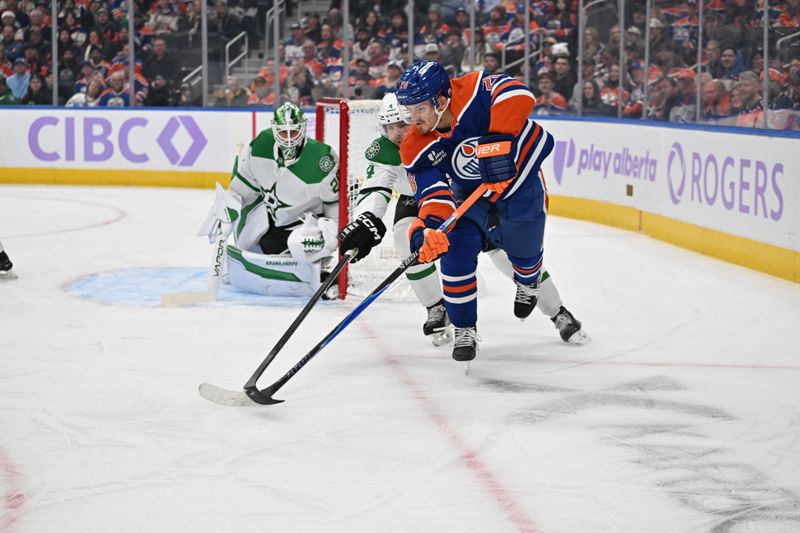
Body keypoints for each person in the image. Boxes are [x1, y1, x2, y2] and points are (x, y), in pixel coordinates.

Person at [359, 61, 587, 364]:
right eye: (407, 111)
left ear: (441, 101)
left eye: (419, 110)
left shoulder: (471, 90)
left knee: (524, 258)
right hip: (470, 197)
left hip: (519, 187)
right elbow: (433, 191)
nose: (412, 120)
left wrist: (499, 141)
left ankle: (533, 286)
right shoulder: (415, 144)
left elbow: (519, 94)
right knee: (455, 254)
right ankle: (465, 328)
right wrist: (431, 227)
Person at [206, 102, 340, 297]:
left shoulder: (322, 160)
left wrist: (332, 235)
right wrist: (226, 210)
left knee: (299, 245)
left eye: (293, 133)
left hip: (306, 227)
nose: (288, 139)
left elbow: (335, 207)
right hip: (273, 225)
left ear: (302, 129)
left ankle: (319, 268)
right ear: (274, 129)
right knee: (248, 241)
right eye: (283, 133)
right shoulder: (261, 145)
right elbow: (241, 190)